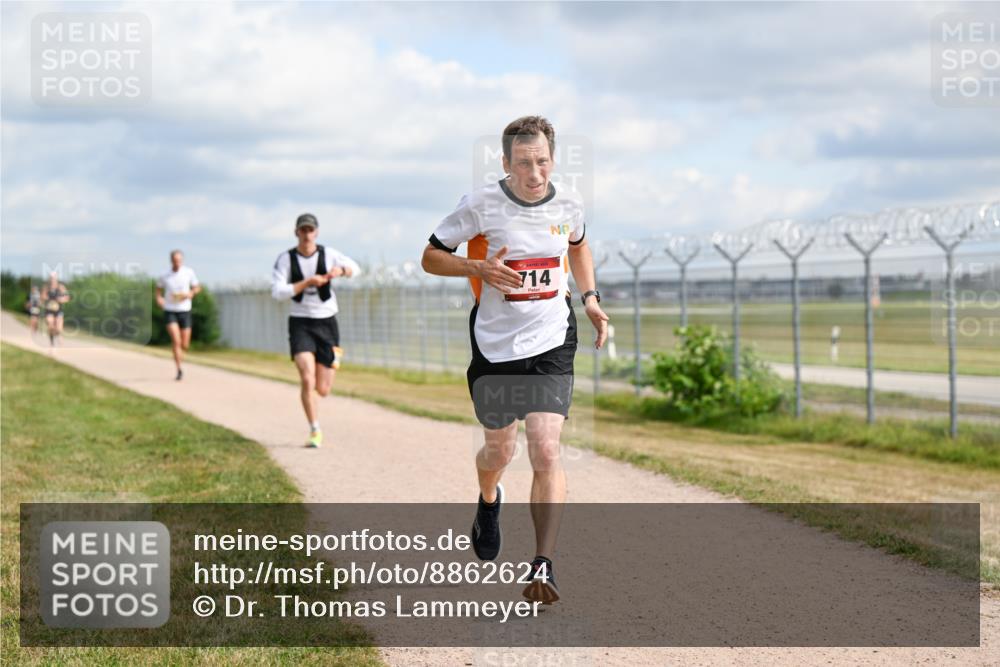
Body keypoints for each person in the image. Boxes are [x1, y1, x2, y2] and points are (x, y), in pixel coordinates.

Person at [421, 116, 609, 604]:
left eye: (542, 161)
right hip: (496, 347)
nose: (534, 172)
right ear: (506, 163)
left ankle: (543, 564)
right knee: (500, 453)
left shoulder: (568, 200)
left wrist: (588, 298)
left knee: (545, 449)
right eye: (523, 163)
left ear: (553, 159)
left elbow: (579, 244)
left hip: (552, 339)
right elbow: (430, 256)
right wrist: (475, 266)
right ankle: (488, 500)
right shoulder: (481, 204)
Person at [271, 213, 361, 448]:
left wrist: (340, 272)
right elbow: (278, 292)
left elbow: (354, 268)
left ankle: (334, 356)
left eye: (311, 230)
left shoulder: (329, 254)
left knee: (323, 389)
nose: (307, 234)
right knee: (306, 377)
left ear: (316, 232)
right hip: (300, 322)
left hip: (326, 322)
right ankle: (314, 429)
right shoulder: (285, 259)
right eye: (303, 230)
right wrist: (307, 282)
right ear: (296, 233)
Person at [155, 250, 202, 381]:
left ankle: (181, 355)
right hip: (170, 310)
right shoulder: (164, 275)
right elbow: (158, 290)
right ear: (171, 260)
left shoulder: (189, 272)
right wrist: (159, 299)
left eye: (179, 260)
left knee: (185, 344)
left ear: (182, 260)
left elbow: (197, 287)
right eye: (175, 260)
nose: (177, 262)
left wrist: (191, 293)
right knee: (176, 341)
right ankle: (179, 369)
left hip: (185, 310)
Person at [42, 272, 70, 347]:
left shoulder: (61, 287)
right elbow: (43, 297)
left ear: (56, 278)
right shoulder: (46, 287)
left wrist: (61, 299)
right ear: (49, 279)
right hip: (49, 310)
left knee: (58, 328)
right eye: (51, 278)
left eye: (54, 278)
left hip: (58, 311)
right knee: (50, 325)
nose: (52, 280)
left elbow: (67, 297)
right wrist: (46, 298)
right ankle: (52, 343)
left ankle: (59, 335)